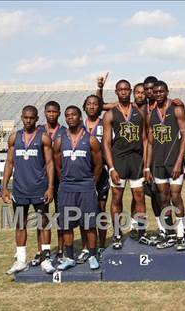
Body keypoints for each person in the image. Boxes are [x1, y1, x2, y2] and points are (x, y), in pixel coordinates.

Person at [2, 105, 55, 274]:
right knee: (20, 224)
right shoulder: (13, 138)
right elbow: (9, 163)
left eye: (31, 118)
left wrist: (50, 187)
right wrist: (4, 187)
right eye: (25, 117)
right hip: (20, 189)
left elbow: (50, 163)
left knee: (43, 224)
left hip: (39, 188)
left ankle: (45, 259)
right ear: (21, 117)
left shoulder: (44, 138)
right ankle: (21, 260)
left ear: (37, 119)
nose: (28, 120)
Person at [54, 106, 102, 271]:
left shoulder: (91, 139)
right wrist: (64, 180)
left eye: (74, 115)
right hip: (67, 187)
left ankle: (92, 256)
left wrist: (91, 182)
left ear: (80, 117)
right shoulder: (60, 140)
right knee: (67, 224)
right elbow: (57, 163)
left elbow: (98, 164)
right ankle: (69, 257)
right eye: (67, 116)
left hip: (86, 187)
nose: (70, 118)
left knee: (89, 224)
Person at [102, 79, 148, 249]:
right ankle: (116, 233)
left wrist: (146, 164)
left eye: (126, 89)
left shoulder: (139, 112)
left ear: (130, 91)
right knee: (117, 198)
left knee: (139, 197)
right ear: (116, 92)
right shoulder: (110, 114)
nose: (123, 92)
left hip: (136, 160)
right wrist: (111, 167)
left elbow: (144, 139)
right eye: (120, 90)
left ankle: (141, 232)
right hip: (119, 160)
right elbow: (106, 143)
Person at [145, 80, 185, 251]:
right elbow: (149, 142)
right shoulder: (151, 115)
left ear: (167, 92)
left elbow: (184, 136)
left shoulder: (177, 109)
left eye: (161, 91)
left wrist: (180, 162)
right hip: (158, 163)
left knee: (175, 197)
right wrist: (147, 167)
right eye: (156, 92)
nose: (158, 94)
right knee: (163, 198)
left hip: (174, 162)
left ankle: (180, 234)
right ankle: (169, 233)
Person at [76, 95, 110, 263]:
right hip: (82, 174)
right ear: (84, 107)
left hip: (101, 173)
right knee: (83, 214)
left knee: (100, 211)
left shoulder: (105, 123)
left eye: (95, 104)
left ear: (99, 107)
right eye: (88, 104)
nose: (92, 106)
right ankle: (85, 247)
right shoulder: (78, 126)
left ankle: (102, 245)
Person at [37, 101, 67, 263]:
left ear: (59, 113)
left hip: (60, 179)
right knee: (42, 217)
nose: (51, 114)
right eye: (48, 111)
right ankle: (41, 250)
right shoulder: (39, 131)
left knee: (61, 216)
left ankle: (61, 249)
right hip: (42, 179)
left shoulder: (65, 132)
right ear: (44, 113)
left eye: (54, 112)